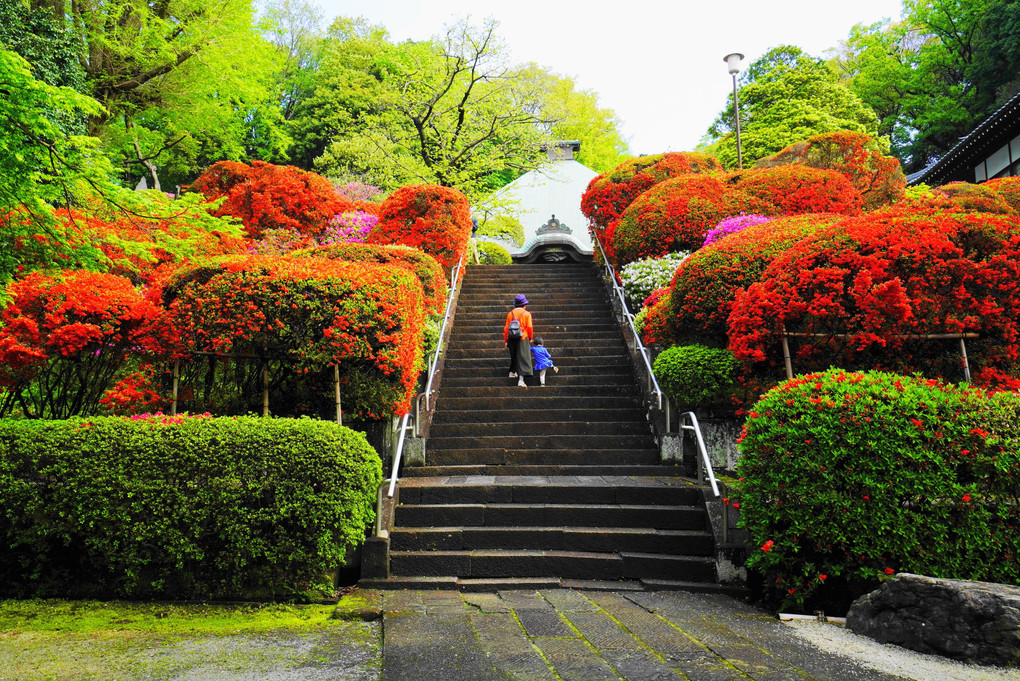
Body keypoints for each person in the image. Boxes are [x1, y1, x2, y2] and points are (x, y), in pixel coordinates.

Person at [504, 293, 533, 388]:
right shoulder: (526, 314)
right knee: (523, 358)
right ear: (524, 305)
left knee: (514, 356)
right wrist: (530, 337)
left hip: (511, 338)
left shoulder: (510, 314)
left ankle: (512, 372)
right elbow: (529, 327)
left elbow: (506, 329)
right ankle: (521, 380)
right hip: (522, 337)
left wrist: (506, 340)